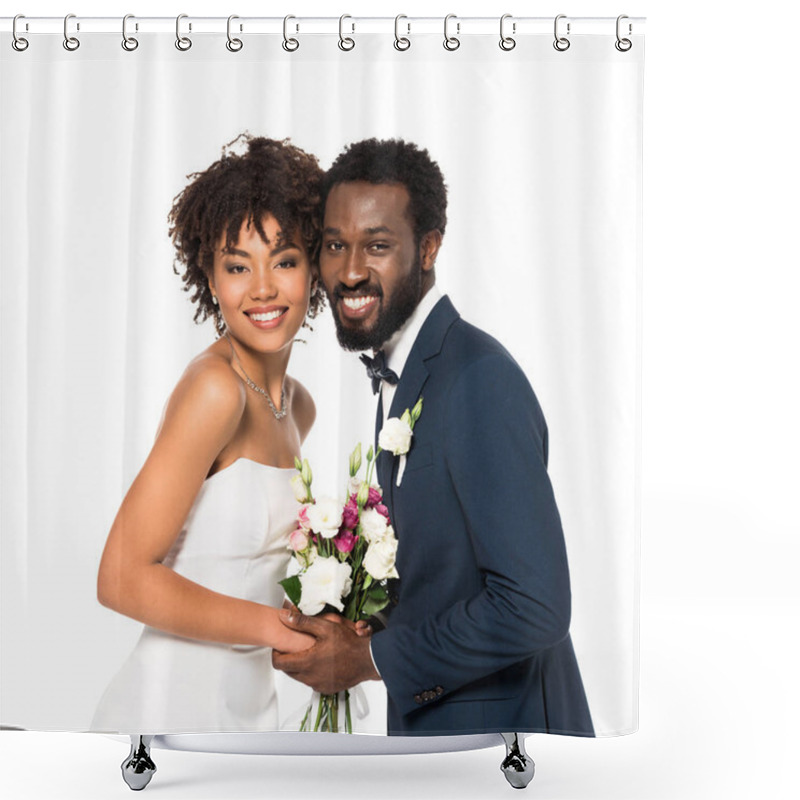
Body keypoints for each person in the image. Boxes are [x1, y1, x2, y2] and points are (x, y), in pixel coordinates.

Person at [273, 138, 595, 737]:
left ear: (428, 248)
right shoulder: (411, 368)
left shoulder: (477, 378)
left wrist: (368, 660)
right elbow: (444, 568)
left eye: (377, 245)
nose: (350, 271)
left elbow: (535, 605)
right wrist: (351, 613)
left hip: (507, 744)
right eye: (335, 245)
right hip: (441, 742)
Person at [91, 135, 326, 734]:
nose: (264, 288)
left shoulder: (299, 408)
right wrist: (273, 627)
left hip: (251, 710)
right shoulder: (214, 390)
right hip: (172, 711)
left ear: (315, 267)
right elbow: (120, 577)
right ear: (212, 278)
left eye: (285, 260)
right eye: (237, 266)